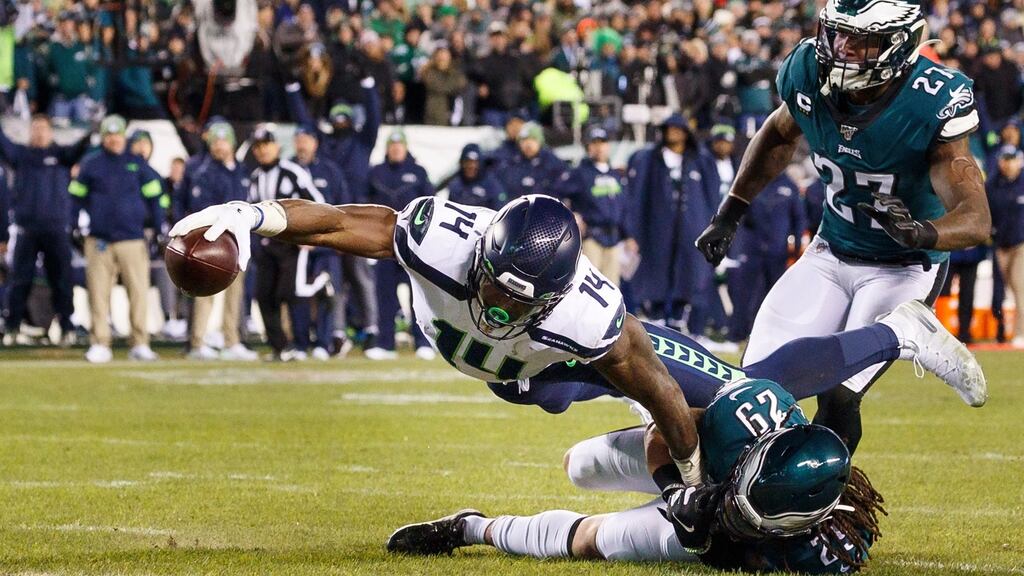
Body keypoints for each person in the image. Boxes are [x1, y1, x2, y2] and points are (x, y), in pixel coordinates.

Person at [171, 193, 985, 501]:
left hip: (574, 356)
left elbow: (660, 389)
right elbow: (348, 222)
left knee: (743, 394)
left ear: (556, 293)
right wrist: (253, 219)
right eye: (490, 285)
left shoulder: (590, 318)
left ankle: (895, 331)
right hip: (532, 376)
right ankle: (649, 461)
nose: (493, 304)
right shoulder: (441, 241)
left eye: (515, 300)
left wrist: (696, 473)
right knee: (550, 393)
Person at [696, 0, 990, 452]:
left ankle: (827, 507)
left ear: (897, 47)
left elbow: (975, 219)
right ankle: (751, 495)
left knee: (837, 397)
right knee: (751, 390)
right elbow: (778, 133)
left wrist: (920, 232)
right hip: (830, 251)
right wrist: (730, 211)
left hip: (903, 267)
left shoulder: (930, 101)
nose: (840, 49)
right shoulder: (807, 70)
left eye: (859, 42)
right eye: (836, 34)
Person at [388, 382, 881, 574]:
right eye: (741, 499)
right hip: (691, 460)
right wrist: (675, 488)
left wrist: (707, 535)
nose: (738, 509)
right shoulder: (734, 423)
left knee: (591, 540)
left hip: (708, 529)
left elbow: (740, 557)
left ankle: (470, 527)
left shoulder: (831, 549)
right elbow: (663, 434)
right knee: (578, 466)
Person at [286, 76, 381, 353]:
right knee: (334, 280)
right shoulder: (324, 146)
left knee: (361, 276)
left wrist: (368, 87)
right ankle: (337, 332)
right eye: (336, 118)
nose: (340, 122)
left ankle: (371, 329)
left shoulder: (362, 143)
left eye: (344, 118)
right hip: (332, 218)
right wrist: (293, 90)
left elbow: (374, 117)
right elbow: (304, 121)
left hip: (360, 217)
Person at [70, 114, 164, 363]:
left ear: (124, 136)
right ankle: (100, 342)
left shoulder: (136, 163)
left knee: (138, 292)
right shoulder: (91, 163)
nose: (113, 139)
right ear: (103, 137)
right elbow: (75, 196)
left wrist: (158, 227)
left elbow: (155, 197)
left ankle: (140, 342)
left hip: (132, 238)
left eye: (116, 134)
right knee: (98, 294)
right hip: (99, 238)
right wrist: (72, 226)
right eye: (108, 134)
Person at [0, 114, 89, 345]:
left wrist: (91, 133)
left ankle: (67, 326)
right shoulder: (21, 155)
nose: (40, 132)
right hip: (26, 228)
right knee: (20, 279)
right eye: (36, 128)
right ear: (31, 131)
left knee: (62, 279)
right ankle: (11, 327)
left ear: (51, 132)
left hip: (56, 228)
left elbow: (79, 150)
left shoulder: (61, 155)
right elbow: (2, 142)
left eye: (43, 128)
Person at [627, 113, 720, 334]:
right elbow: (638, 196)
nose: (673, 133)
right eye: (669, 129)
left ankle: (680, 322)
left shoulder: (701, 159)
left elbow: (712, 195)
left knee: (689, 274)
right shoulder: (649, 158)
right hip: (657, 229)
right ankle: (656, 320)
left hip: (690, 230)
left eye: (678, 129)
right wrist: (633, 232)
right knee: (655, 273)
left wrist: (712, 225)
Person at [176, 122, 257, 361]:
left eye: (223, 141)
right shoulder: (201, 169)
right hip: (209, 239)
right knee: (204, 290)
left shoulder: (242, 170)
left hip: (237, 239)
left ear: (232, 143)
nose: (219, 146)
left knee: (235, 293)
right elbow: (190, 203)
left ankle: (231, 340)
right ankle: (198, 341)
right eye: (215, 141)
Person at [246, 124, 325, 361]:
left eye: (266, 145)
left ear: (277, 146)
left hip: (290, 243)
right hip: (265, 245)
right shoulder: (255, 177)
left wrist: (311, 235)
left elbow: (318, 203)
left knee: (290, 293)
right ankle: (280, 346)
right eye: (258, 147)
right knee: (263, 294)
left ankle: (300, 344)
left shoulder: (293, 171)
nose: (262, 151)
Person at [366, 130, 435, 360]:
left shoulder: (418, 172)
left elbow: (431, 206)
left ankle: (423, 342)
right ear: (387, 148)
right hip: (383, 243)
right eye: (392, 145)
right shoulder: (376, 173)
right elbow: (365, 206)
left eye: (399, 145)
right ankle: (386, 344)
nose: (395, 149)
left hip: (412, 246)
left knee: (419, 296)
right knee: (384, 295)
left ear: (405, 147)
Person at [290, 125, 349, 359]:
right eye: (299, 139)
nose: (302, 144)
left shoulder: (330, 171)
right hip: (297, 247)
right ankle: (301, 343)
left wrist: (332, 240)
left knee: (328, 294)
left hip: (325, 246)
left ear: (315, 142)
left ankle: (323, 343)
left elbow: (343, 208)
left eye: (306, 139)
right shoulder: (288, 170)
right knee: (299, 296)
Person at [726, 173, 806, 343]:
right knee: (743, 294)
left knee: (775, 296)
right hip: (752, 248)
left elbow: (798, 217)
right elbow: (739, 215)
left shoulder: (789, 185)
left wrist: (797, 246)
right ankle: (737, 334)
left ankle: (772, 337)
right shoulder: (754, 182)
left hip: (777, 251)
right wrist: (737, 245)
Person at [556, 126, 636, 286]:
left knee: (612, 288)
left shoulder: (616, 174)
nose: (599, 147)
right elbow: (557, 193)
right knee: (587, 285)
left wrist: (629, 235)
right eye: (594, 143)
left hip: (614, 239)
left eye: (602, 142)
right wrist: (572, 215)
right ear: (588, 147)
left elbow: (624, 208)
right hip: (591, 238)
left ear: (608, 145)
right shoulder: (580, 173)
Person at [987, 145, 1024, 348]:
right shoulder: (992, 185)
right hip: (1001, 245)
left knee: (1020, 288)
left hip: (1021, 245)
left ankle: (1020, 334)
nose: (1008, 163)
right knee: (1003, 290)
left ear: (1019, 161)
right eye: (1005, 159)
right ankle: (1000, 331)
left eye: (1012, 159)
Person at [496, 122, 569, 200]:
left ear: (539, 141)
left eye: (532, 139)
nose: (528, 144)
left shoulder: (553, 163)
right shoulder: (512, 163)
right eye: (523, 140)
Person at [445, 143, 507, 210]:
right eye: (467, 162)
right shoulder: (455, 185)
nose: (471, 166)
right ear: (462, 163)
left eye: (474, 162)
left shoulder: (491, 185)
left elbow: (499, 210)